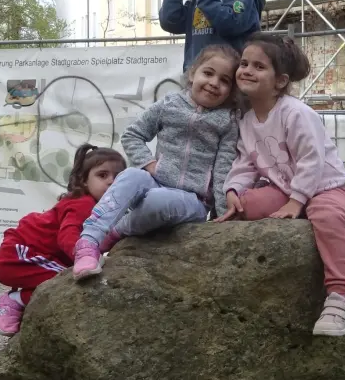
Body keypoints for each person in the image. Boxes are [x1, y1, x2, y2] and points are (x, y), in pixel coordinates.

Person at [216, 35, 345, 336]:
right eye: (244, 64)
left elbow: (312, 159)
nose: (247, 70)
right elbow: (246, 162)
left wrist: (297, 202)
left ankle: (340, 297)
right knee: (248, 206)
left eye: (258, 66)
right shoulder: (248, 119)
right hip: (284, 188)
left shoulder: (295, 112)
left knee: (328, 217)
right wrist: (233, 192)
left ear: (279, 81)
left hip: (324, 186)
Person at [72, 44, 241, 277]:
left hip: (194, 201)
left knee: (156, 200)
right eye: (208, 73)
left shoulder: (228, 121)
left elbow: (224, 168)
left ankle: (116, 233)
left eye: (224, 80)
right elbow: (132, 135)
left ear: (231, 90)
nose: (214, 83)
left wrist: (222, 216)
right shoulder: (169, 104)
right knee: (131, 175)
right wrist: (149, 165)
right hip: (156, 183)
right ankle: (88, 243)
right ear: (193, 74)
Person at [0, 144, 124, 336]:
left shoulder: (100, 206)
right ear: (84, 181)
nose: (112, 181)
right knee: (70, 281)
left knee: (71, 280)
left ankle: (20, 301)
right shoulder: (83, 203)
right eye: (102, 175)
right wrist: (84, 256)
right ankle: (15, 299)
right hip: (20, 255)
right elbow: (68, 236)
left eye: (118, 177)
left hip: (37, 255)